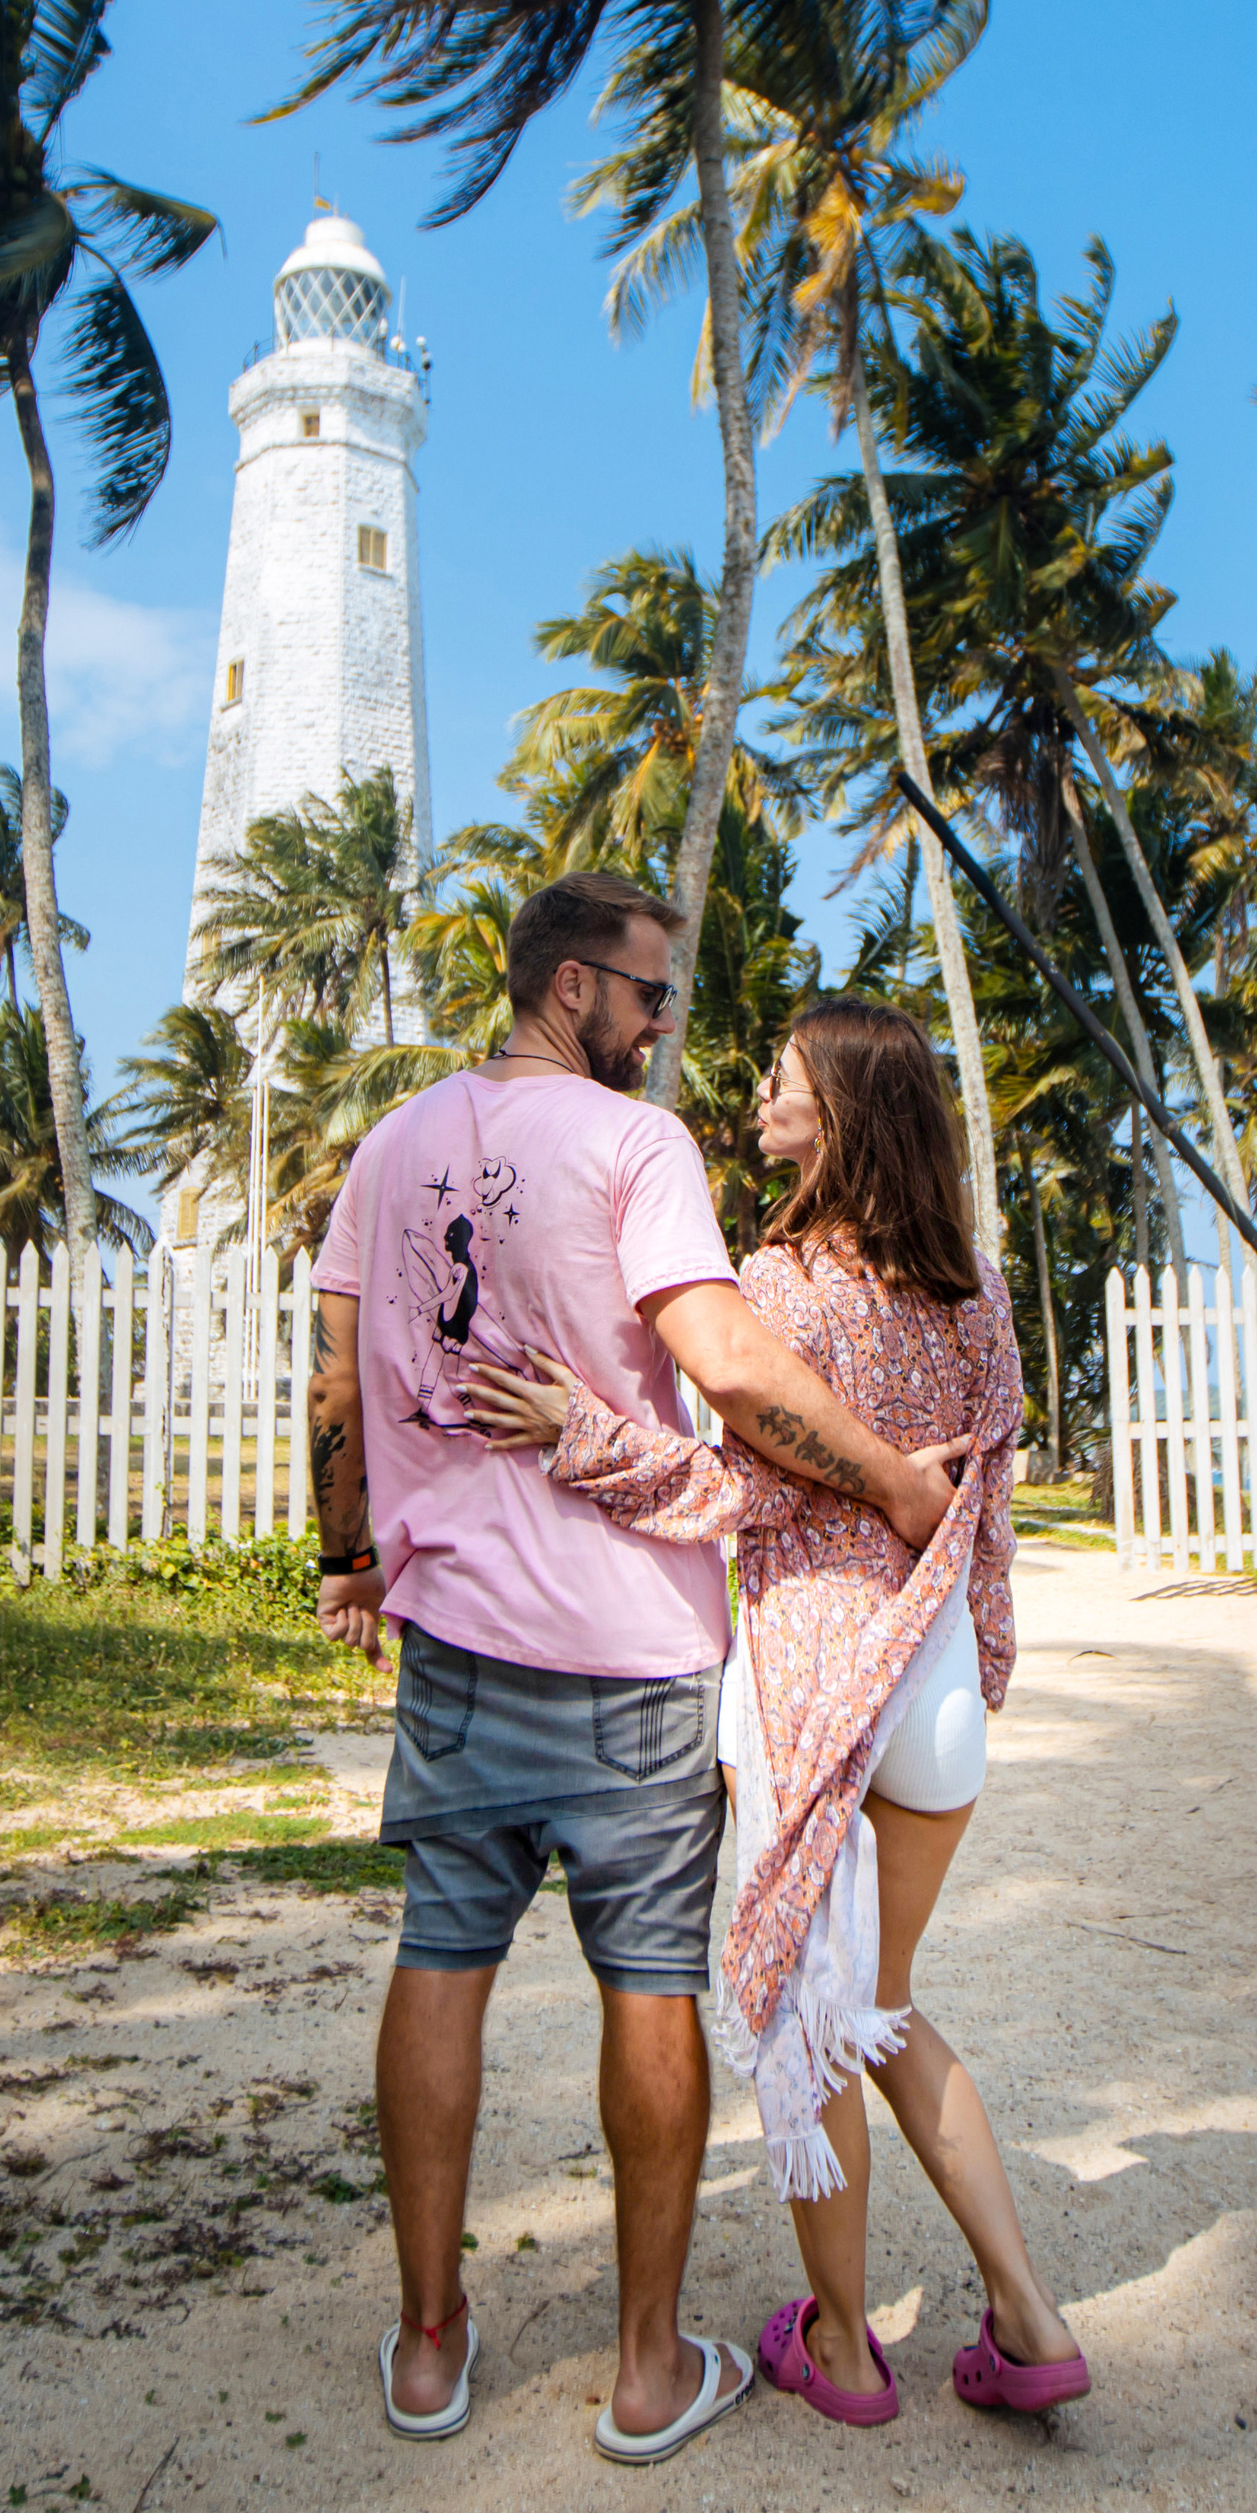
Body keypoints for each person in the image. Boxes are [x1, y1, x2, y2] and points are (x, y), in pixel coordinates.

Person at [305, 878, 971, 2466]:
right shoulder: (635, 1144)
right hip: (631, 1650)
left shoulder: (390, 1146)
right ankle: (648, 2370)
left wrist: (347, 1555)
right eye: (651, 992)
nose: (666, 1022)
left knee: (441, 1957)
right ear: (572, 987)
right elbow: (727, 1364)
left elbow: (332, 1380)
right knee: (649, 1987)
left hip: (456, 1642)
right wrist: (893, 1481)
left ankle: (428, 2344)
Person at [463, 1001, 1090, 2429]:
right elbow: (986, 1510)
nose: (757, 1095)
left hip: (813, 1682)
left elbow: (734, 1487)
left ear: (842, 1114)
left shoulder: (781, 1287)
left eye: (783, 1080)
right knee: (882, 2007)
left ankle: (847, 2350)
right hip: (933, 1689)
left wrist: (580, 1435)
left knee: (817, 2022)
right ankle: (1026, 2314)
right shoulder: (979, 1291)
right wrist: (983, 1655)